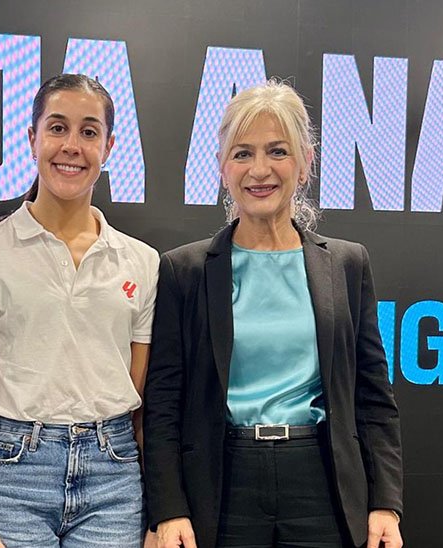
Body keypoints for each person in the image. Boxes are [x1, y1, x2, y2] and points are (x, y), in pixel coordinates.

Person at [143, 80, 404, 548]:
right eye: (242, 153)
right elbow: (164, 405)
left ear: (304, 163)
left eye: (277, 151)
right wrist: (169, 509)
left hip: (321, 482)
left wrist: (385, 501)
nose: (259, 170)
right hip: (222, 486)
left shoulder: (347, 263)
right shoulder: (184, 270)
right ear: (223, 167)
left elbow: (373, 395)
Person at [0, 74, 159, 548]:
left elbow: (142, 405)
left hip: (115, 479)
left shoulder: (142, 263)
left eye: (89, 132)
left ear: (109, 146)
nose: (72, 146)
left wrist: (155, 517)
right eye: (57, 128)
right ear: (32, 138)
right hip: (11, 477)